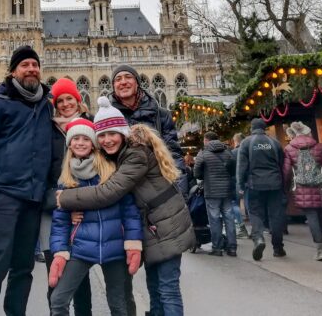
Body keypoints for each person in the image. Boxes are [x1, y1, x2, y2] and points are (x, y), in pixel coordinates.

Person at [58, 97, 194, 316]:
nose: (107, 140)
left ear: (122, 132)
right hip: (154, 225)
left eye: (112, 133)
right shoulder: (121, 154)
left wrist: (64, 198)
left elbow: (108, 192)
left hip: (165, 224)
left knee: (167, 289)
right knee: (156, 289)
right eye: (101, 135)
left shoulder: (135, 154)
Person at [0, 45, 54, 316]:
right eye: (25, 65)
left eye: (35, 64)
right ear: (13, 71)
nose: (31, 69)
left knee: (23, 269)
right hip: (3, 197)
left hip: (32, 199)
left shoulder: (46, 106)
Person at [49, 117, 143, 316]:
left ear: (93, 143)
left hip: (114, 247)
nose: (80, 143)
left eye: (85, 138)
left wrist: (133, 242)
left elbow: (129, 210)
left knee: (118, 304)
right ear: (70, 144)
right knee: (58, 301)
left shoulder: (110, 170)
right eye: (76, 139)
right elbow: (60, 221)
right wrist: (60, 251)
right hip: (81, 247)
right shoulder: (66, 178)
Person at [44, 78, 93, 316]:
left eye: (69, 99)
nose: (65, 104)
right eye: (59, 100)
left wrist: (79, 202)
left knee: (80, 280)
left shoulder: (91, 127)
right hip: (53, 209)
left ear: (78, 99)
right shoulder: (47, 129)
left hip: (84, 211)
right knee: (54, 277)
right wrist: (60, 202)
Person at [109, 65, 187, 197]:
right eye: (118, 79)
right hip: (124, 192)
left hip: (159, 191)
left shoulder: (160, 114)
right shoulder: (108, 118)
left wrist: (180, 192)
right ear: (114, 86)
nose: (123, 82)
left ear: (137, 83)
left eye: (128, 77)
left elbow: (174, 155)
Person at [282, 122, 322, 261]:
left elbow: (286, 171)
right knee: (320, 215)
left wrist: (283, 189)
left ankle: (320, 249)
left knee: (312, 217)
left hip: (301, 189)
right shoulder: (319, 147)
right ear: (308, 133)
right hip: (320, 187)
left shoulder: (289, 148)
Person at [237, 118, 286, 261]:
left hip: (255, 184)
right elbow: (281, 164)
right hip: (275, 183)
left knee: (255, 213)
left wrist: (240, 186)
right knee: (275, 215)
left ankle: (258, 239)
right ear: (264, 128)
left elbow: (241, 167)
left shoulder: (246, 143)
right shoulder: (275, 143)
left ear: (252, 128)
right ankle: (278, 248)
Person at [194, 131, 237, 257]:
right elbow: (233, 169)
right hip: (227, 190)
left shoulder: (203, 153)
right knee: (229, 218)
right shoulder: (227, 151)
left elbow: (196, 172)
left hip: (212, 191)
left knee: (214, 219)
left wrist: (204, 176)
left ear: (206, 140)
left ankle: (217, 248)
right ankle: (232, 247)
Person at [230, 133, 248, 238]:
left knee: (234, 204)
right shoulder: (248, 150)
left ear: (236, 141)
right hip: (250, 181)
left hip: (236, 181)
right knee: (251, 206)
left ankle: (242, 228)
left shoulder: (233, 152)